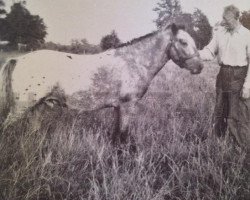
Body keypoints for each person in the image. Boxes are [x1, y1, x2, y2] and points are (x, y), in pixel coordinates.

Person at [199, 5, 250, 154]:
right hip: (222, 75)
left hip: (239, 76)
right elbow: (209, 52)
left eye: (226, 19)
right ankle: (219, 143)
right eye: (222, 18)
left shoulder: (247, 35)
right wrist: (194, 54)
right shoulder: (220, 33)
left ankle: (242, 149)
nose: (223, 22)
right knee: (219, 110)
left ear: (236, 18)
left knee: (238, 114)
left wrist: (248, 86)